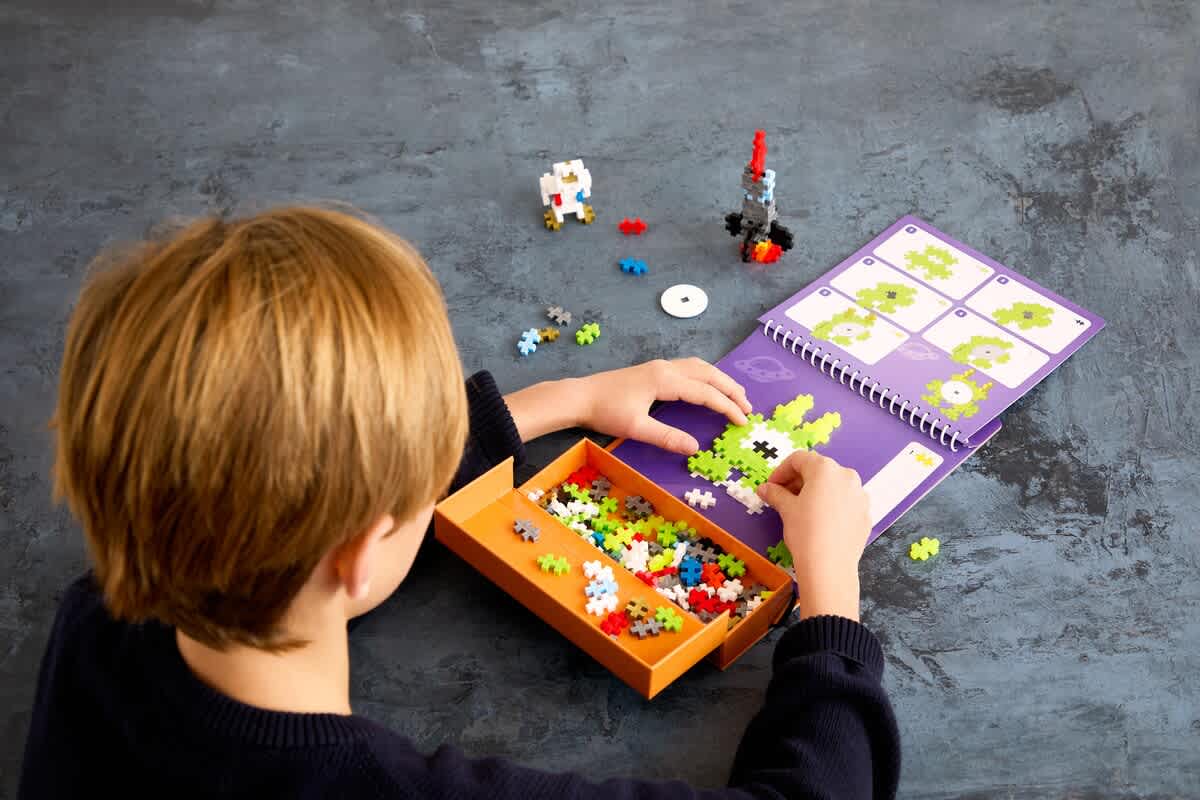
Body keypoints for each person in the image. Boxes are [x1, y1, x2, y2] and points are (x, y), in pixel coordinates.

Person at [20, 207, 899, 798]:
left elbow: (289, 484)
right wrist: (831, 601)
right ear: (358, 552)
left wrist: (561, 399)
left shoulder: (96, 622)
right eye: (424, 464)